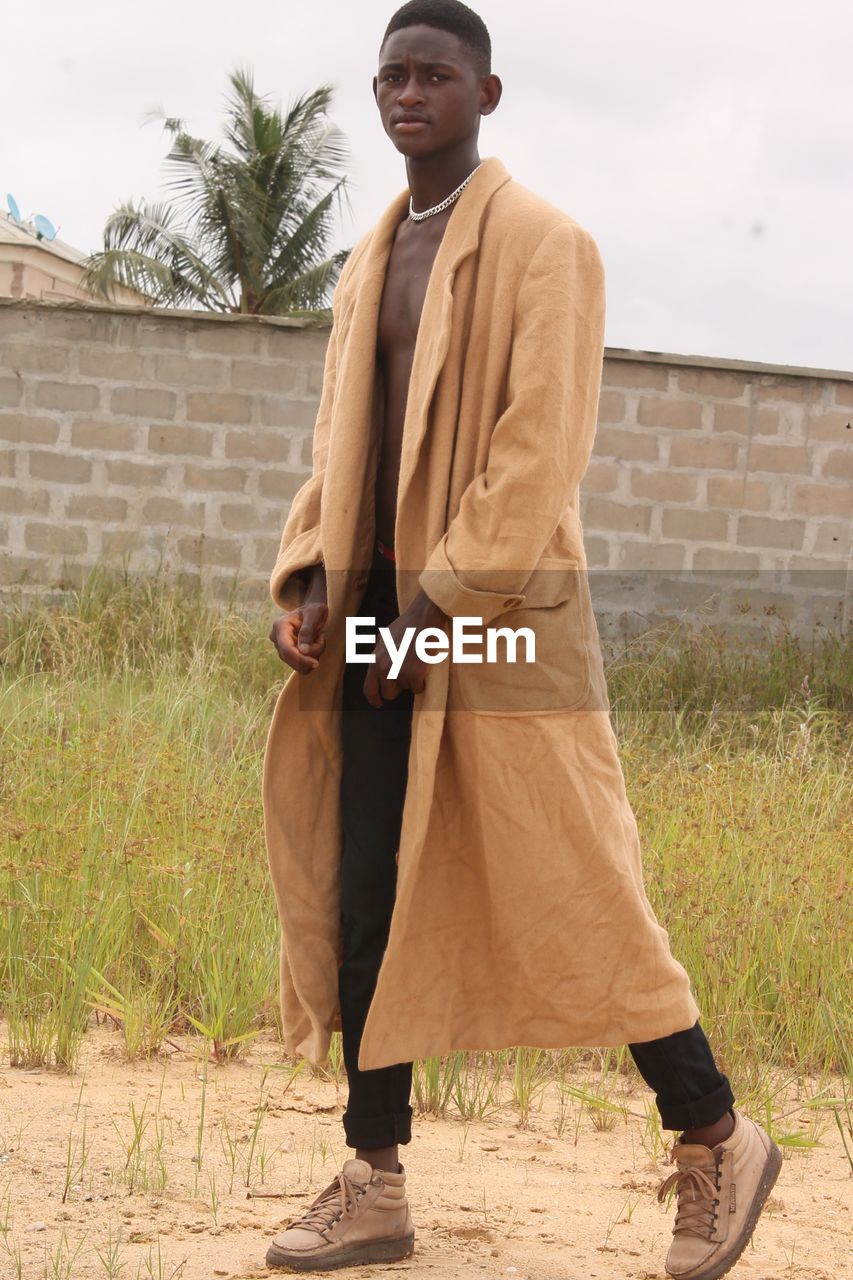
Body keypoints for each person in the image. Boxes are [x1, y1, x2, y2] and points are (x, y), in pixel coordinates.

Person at [263, 2, 781, 1275]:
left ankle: (715, 1136)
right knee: (370, 885)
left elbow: (539, 452)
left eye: (434, 73)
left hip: (499, 627)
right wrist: (314, 577)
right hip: (379, 615)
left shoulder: (549, 246)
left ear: (486, 95)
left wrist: (434, 614)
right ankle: (373, 1176)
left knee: (576, 876)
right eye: (390, 74)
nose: (408, 92)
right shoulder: (366, 256)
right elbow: (344, 436)